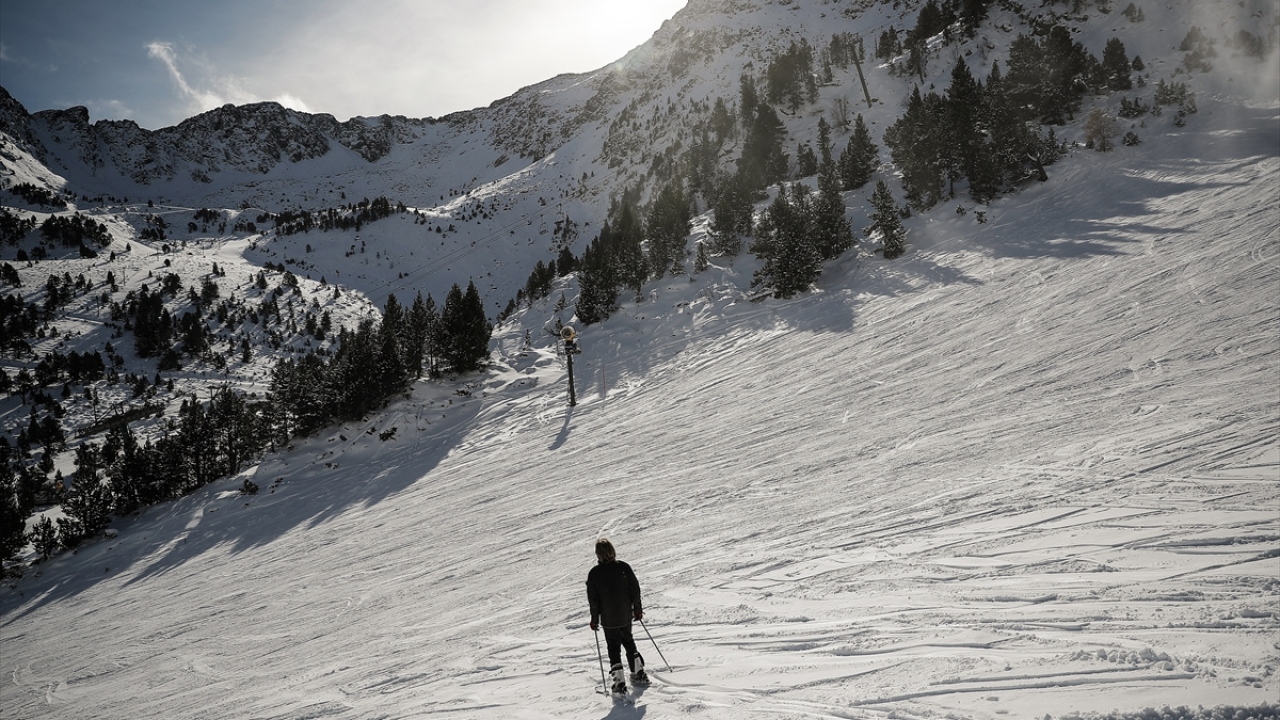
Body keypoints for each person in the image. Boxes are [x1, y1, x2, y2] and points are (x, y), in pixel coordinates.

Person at [586, 537, 648, 693]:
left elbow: (594, 600)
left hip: (608, 618)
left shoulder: (595, 574)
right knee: (628, 641)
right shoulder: (623, 568)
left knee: (613, 647)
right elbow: (635, 589)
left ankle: (619, 683)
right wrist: (637, 609)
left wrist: (594, 619)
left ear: (598, 554)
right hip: (625, 614)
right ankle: (638, 672)